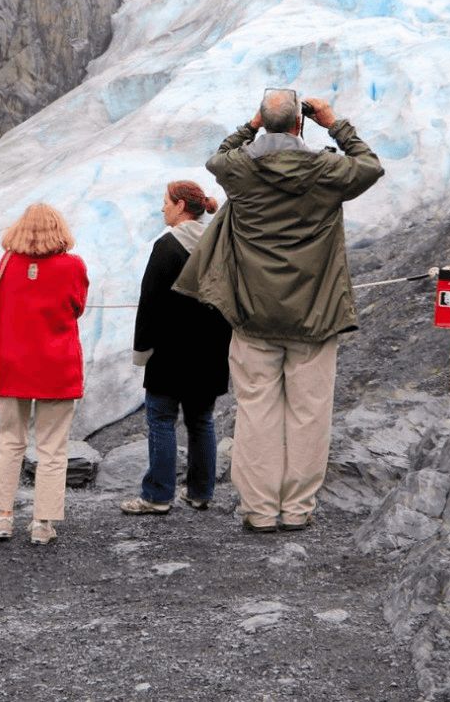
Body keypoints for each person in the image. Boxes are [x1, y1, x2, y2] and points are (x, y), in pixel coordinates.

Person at [174, 89, 384, 533]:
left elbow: (218, 157)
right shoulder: (326, 170)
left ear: (265, 124)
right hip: (315, 314)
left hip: (252, 315)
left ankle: (260, 510)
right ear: (299, 124)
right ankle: (297, 509)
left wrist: (251, 126)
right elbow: (371, 165)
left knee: (256, 411)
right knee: (309, 414)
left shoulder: (240, 171)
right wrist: (334, 123)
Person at [121, 180, 232, 515]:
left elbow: (149, 303)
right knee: (201, 421)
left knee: (162, 419)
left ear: (182, 205)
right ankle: (200, 492)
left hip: (169, 352)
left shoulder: (167, 246)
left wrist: (142, 350)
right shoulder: (219, 245)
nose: (162, 208)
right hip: (210, 350)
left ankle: (158, 495)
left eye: (166, 202)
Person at [0, 203, 88, 546]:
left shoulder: (6, 263)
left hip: (13, 365)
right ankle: (42, 523)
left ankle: (2, 517)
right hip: (57, 366)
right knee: (53, 448)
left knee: (10, 442)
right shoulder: (73, 266)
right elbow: (77, 308)